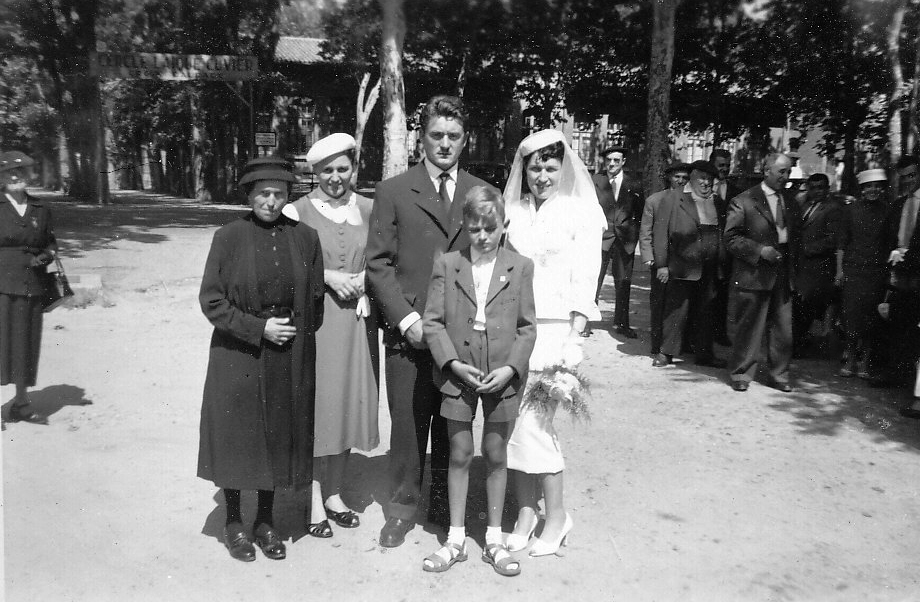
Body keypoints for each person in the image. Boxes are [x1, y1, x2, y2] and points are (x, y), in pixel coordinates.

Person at [366, 95, 493, 548]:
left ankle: (443, 504)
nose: (444, 144)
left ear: (465, 140)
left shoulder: (481, 192)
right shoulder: (394, 191)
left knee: (452, 423)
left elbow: (494, 260)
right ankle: (402, 508)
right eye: (436, 134)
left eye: (453, 136)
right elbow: (378, 264)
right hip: (411, 335)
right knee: (408, 423)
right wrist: (406, 319)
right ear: (421, 137)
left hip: (461, 338)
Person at [197, 156, 325, 562]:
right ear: (249, 196)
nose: (271, 202)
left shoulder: (305, 238)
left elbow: (315, 301)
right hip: (238, 351)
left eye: (279, 194)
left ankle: (265, 521)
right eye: (264, 194)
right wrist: (258, 328)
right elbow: (211, 300)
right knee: (238, 435)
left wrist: (290, 333)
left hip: (286, 351)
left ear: (289, 196)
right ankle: (234, 521)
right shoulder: (229, 237)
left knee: (277, 434)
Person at [421, 186, 536, 575]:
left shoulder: (520, 266)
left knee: (496, 453)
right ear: (465, 227)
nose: (483, 237)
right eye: (474, 229)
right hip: (460, 369)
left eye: (490, 228)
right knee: (459, 452)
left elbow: (527, 327)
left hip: (502, 372)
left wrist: (511, 368)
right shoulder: (448, 264)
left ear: (504, 225)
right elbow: (433, 321)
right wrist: (451, 363)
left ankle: (493, 539)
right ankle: (455, 539)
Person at [503, 129, 604, 557]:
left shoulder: (581, 212)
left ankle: (557, 516)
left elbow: (586, 275)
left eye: (550, 167)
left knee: (537, 425)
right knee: (512, 424)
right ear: (523, 170)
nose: (542, 176)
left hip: (555, 331)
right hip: (513, 330)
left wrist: (574, 338)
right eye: (534, 168)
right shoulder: (512, 211)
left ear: (563, 169)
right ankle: (526, 514)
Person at [289, 134, 379, 538]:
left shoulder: (370, 209)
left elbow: (385, 259)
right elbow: (288, 264)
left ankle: (335, 495)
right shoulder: (297, 211)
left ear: (353, 168)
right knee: (319, 406)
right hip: (318, 322)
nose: (336, 177)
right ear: (315, 172)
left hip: (357, 322)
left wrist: (365, 278)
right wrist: (326, 276)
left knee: (346, 405)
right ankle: (312, 500)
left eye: (343, 168)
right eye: (327, 170)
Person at [724, 153, 800, 392]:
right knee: (749, 326)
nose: (786, 177)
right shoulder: (744, 200)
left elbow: (797, 238)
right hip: (754, 272)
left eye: (788, 172)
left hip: (783, 271)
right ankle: (741, 374)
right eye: (781, 172)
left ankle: (779, 376)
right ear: (766, 171)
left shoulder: (791, 201)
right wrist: (759, 250)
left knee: (783, 329)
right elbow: (731, 238)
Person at [652, 160, 728, 368]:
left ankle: (704, 354)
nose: (706, 183)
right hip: (682, 264)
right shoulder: (673, 198)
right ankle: (666, 352)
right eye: (702, 178)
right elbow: (661, 233)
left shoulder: (718, 202)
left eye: (710, 179)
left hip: (710, 266)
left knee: (707, 310)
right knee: (677, 309)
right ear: (692, 178)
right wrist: (662, 264)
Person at [0, 151, 55, 426]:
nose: (15, 177)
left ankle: (21, 403)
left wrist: (46, 256)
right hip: (1, 285)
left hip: (32, 284)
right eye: (9, 172)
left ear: (29, 176)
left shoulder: (40, 208)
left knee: (25, 344)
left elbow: (50, 243)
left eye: (20, 172)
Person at [836, 168, 891, 378]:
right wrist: (839, 271)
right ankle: (850, 359)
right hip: (853, 269)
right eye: (869, 186)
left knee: (871, 318)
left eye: (877, 186)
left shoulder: (887, 211)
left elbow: (889, 243)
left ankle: (865, 362)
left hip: (876, 271)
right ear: (862, 189)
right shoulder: (850, 210)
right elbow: (842, 243)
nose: (873, 190)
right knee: (851, 316)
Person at [639, 162, 691, 357]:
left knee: (680, 304)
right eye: (677, 177)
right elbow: (646, 231)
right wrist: (648, 256)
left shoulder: (691, 200)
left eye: (685, 178)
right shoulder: (655, 200)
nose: (681, 181)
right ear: (669, 178)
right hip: (661, 260)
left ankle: (679, 344)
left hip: (683, 261)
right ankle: (657, 342)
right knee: (659, 302)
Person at [593, 146, 644, 338]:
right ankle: (586, 322)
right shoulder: (595, 181)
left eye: (616, 160)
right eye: (609, 160)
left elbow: (640, 213)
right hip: (601, 238)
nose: (612, 164)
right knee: (594, 280)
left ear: (623, 162)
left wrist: (633, 235)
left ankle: (622, 323)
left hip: (625, 240)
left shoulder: (634, 184)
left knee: (623, 282)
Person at [792, 174, 841, 356]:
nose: (817, 191)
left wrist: (807, 249)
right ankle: (796, 342)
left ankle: (798, 344)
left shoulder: (833, 209)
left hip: (817, 267)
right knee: (798, 304)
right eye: (813, 188)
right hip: (800, 265)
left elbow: (832, 239)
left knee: (805, 305)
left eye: (821, 187)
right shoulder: (804, 205)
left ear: (827, 189)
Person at [710, 149, 740, 347]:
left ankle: (719, 332)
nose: (724, 169)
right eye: (720, 165)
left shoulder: (736, 192)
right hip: (706, 247)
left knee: (722, 293)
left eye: (727, 165)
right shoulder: (702, 187)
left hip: (726, 250)